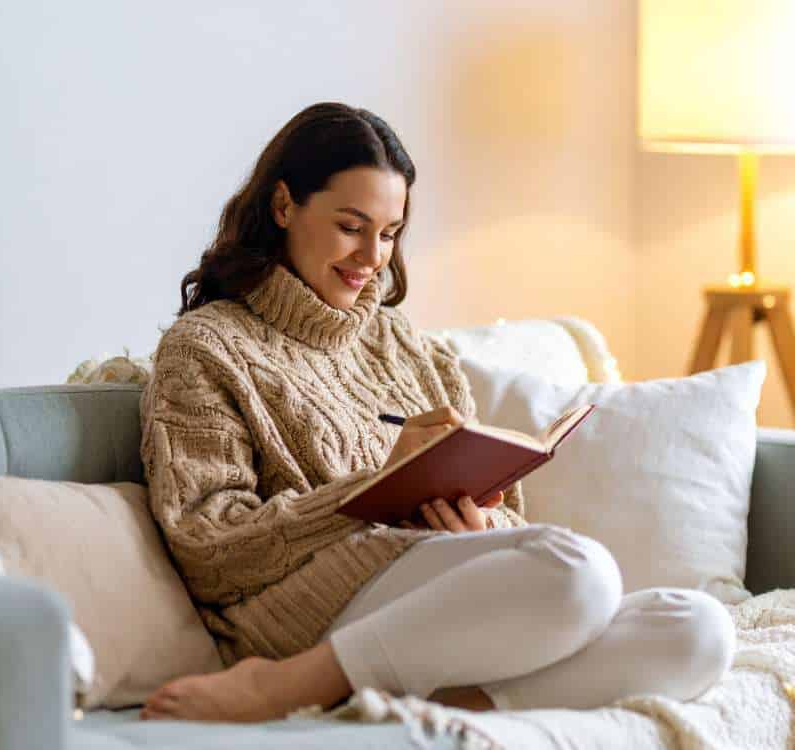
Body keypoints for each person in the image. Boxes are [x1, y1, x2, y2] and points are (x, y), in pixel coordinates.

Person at [137, 102, 735, 722]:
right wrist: (372, 489)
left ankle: (431, 703)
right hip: (303, 609)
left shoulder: (412, 349)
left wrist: (479, 531)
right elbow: (209, 549)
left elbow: (511, 524)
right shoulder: (204, 348)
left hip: (439, 593)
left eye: (390, 233)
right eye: (351, 226)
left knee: (699, 631)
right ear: (284, 206)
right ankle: (286, 687)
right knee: (578, 571)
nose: (373, 256)